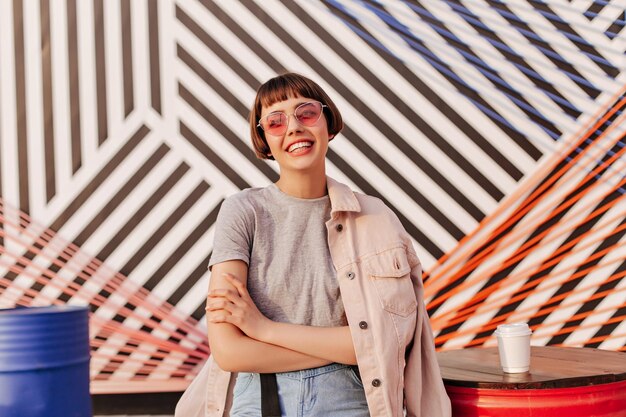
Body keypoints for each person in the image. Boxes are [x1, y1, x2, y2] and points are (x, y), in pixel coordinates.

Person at [175, 73, 451, 417]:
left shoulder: (376, 218)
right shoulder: (242, 212)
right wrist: (352, 344)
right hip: (260, 395)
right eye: (275, 122)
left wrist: (263, 329)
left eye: (305, 113)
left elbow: (391, 340)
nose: (293, 128)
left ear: (327, 124)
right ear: (264, 139)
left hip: (351, 394)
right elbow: (230, 352)